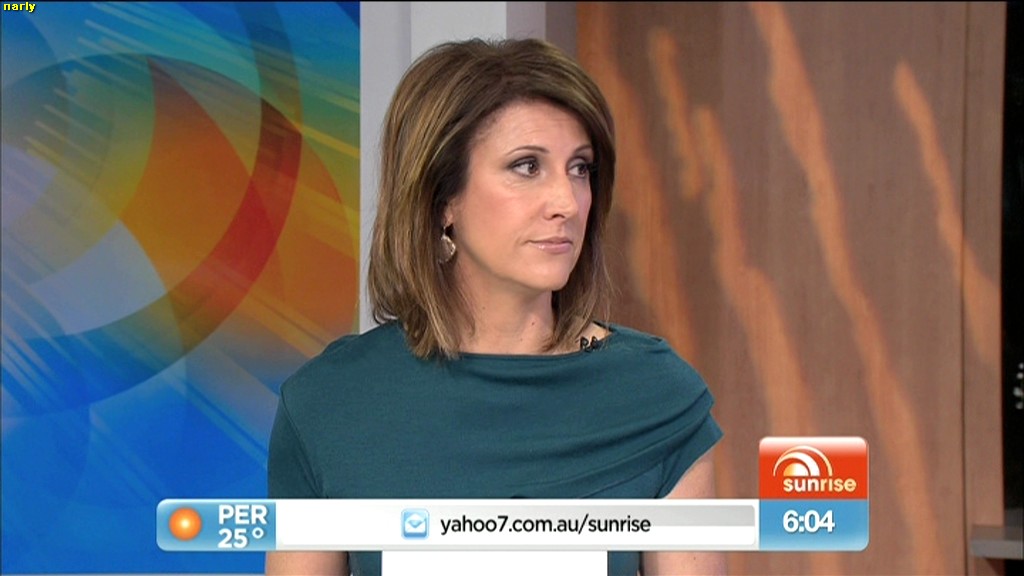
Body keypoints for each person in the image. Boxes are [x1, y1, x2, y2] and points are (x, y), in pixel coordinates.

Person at [265, 37, 724, 576]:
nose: (567, 202)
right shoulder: (328, 403)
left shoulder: (658, 396)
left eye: (580, 168)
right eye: (527, 167)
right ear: (443, 200)